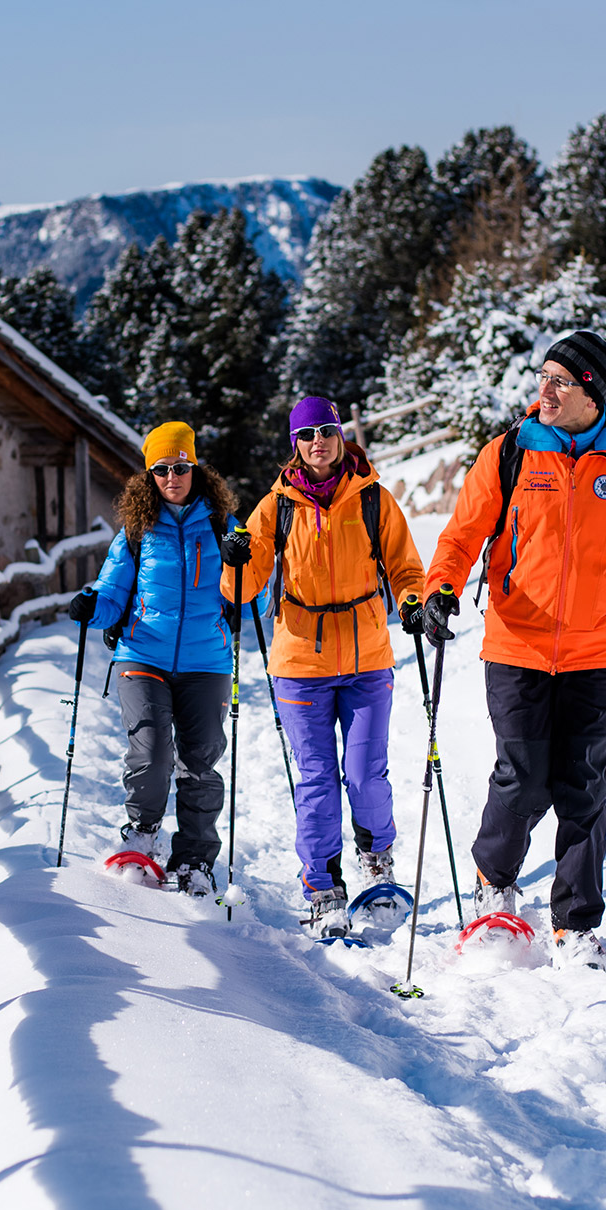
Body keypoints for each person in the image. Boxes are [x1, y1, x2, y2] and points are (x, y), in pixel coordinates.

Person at [416, 329, 606, 968]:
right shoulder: (510, 454)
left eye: (560, 381)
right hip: (516, 646)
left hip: (598, 651)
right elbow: (462, 537)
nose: (543, 391)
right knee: (520, 780)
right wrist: (440, 590)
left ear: (592, 392)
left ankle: (576, 924)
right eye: (542, 377)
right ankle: (496, 887)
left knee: (584, 788)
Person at [224, 397, 425, 938]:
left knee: (364, 774)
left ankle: (377, 858)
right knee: (316, 780)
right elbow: (241, 592)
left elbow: (407, 568)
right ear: (295, 444)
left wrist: (412, 601)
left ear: (341, 437)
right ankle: (321, 885)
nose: (318, 441)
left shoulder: (374, 500)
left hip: (367, 660)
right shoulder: (275, 508)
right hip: (299, 663)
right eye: (307, 433)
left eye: (327, 431)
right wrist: (236, 556)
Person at [68, 421, 243, 895]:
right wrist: (90, 605)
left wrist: (243, 564)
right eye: (162, 469)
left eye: (180, 467)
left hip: (206, 660)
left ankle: (194, 860)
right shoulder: (137, 529)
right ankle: (142, 837)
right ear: (150, 475)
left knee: (200, 760)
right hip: (141, 654)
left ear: (195, 468)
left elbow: (252, 603)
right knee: (152, 751)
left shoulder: (223, 526)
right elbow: (110, 592)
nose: (172, 477)